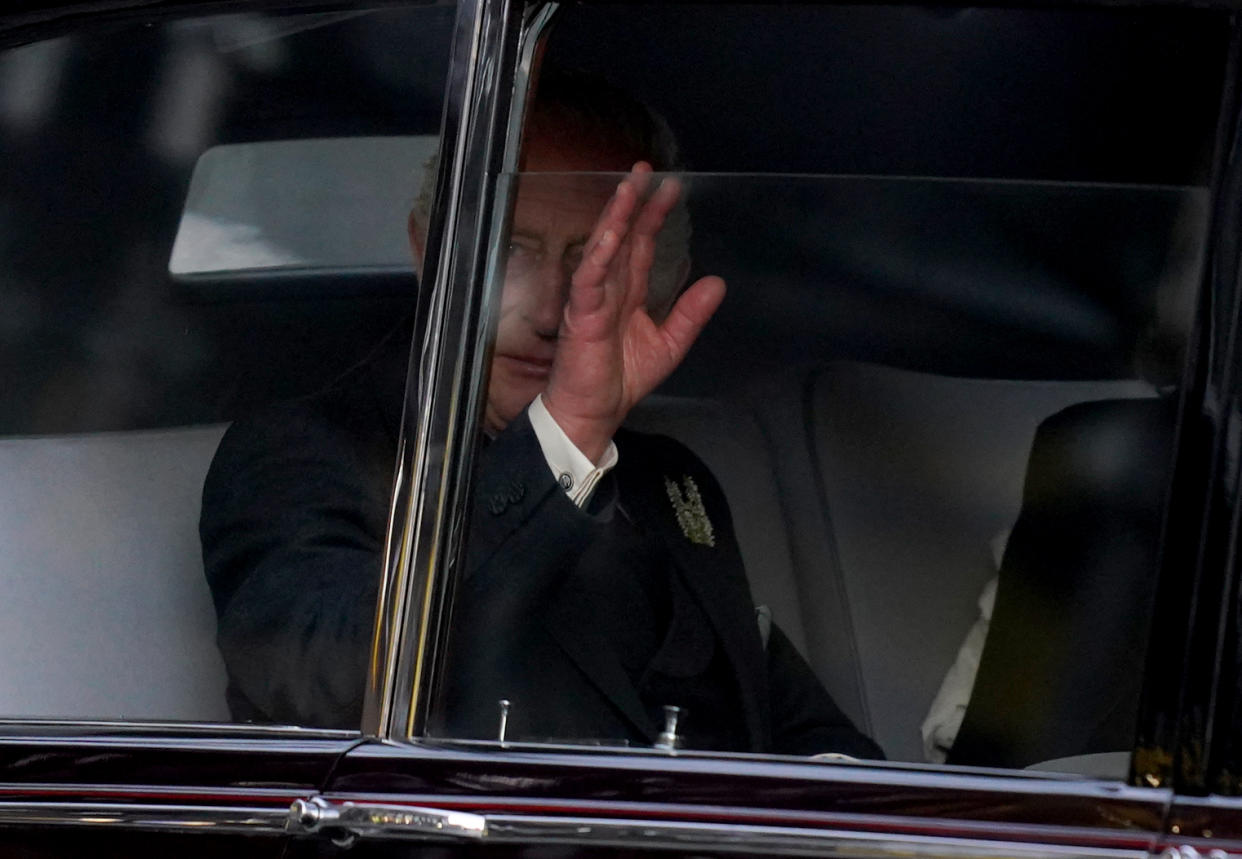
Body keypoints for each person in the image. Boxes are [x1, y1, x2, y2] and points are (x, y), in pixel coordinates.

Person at [200, 71, 883, 758]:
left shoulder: (672, 483)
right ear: (428, 254)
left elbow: (811, 745)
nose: (557, 312)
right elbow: (334, 688)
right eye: (513, 253)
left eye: (596, 260)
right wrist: (567, 430)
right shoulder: (303, 453)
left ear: (658, 281)